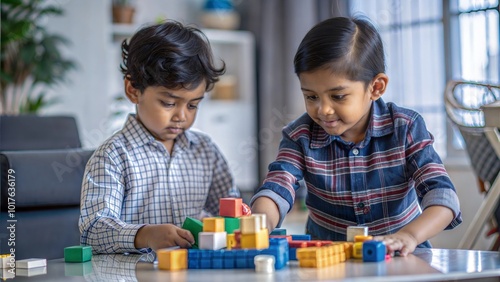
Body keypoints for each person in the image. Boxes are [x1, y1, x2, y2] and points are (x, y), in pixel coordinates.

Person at [251, 16, 462, 256]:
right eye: (311, 96)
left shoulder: (406, 127)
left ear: (376, 87)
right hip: (327, 259)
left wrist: (409, 235)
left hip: (401, 254)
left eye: (338, 96)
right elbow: (278, 186)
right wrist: (259, 224)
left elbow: (443, 197)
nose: (323, 110)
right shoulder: (300, 135)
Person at [79, 20, 239, 254]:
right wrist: (144, 235)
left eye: (193, 105)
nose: (181, 116)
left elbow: (229, 209)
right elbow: (92, 231)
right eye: (168, 103)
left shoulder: (205, 150)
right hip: (134, 274)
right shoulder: (112, 157)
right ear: (133, 90)